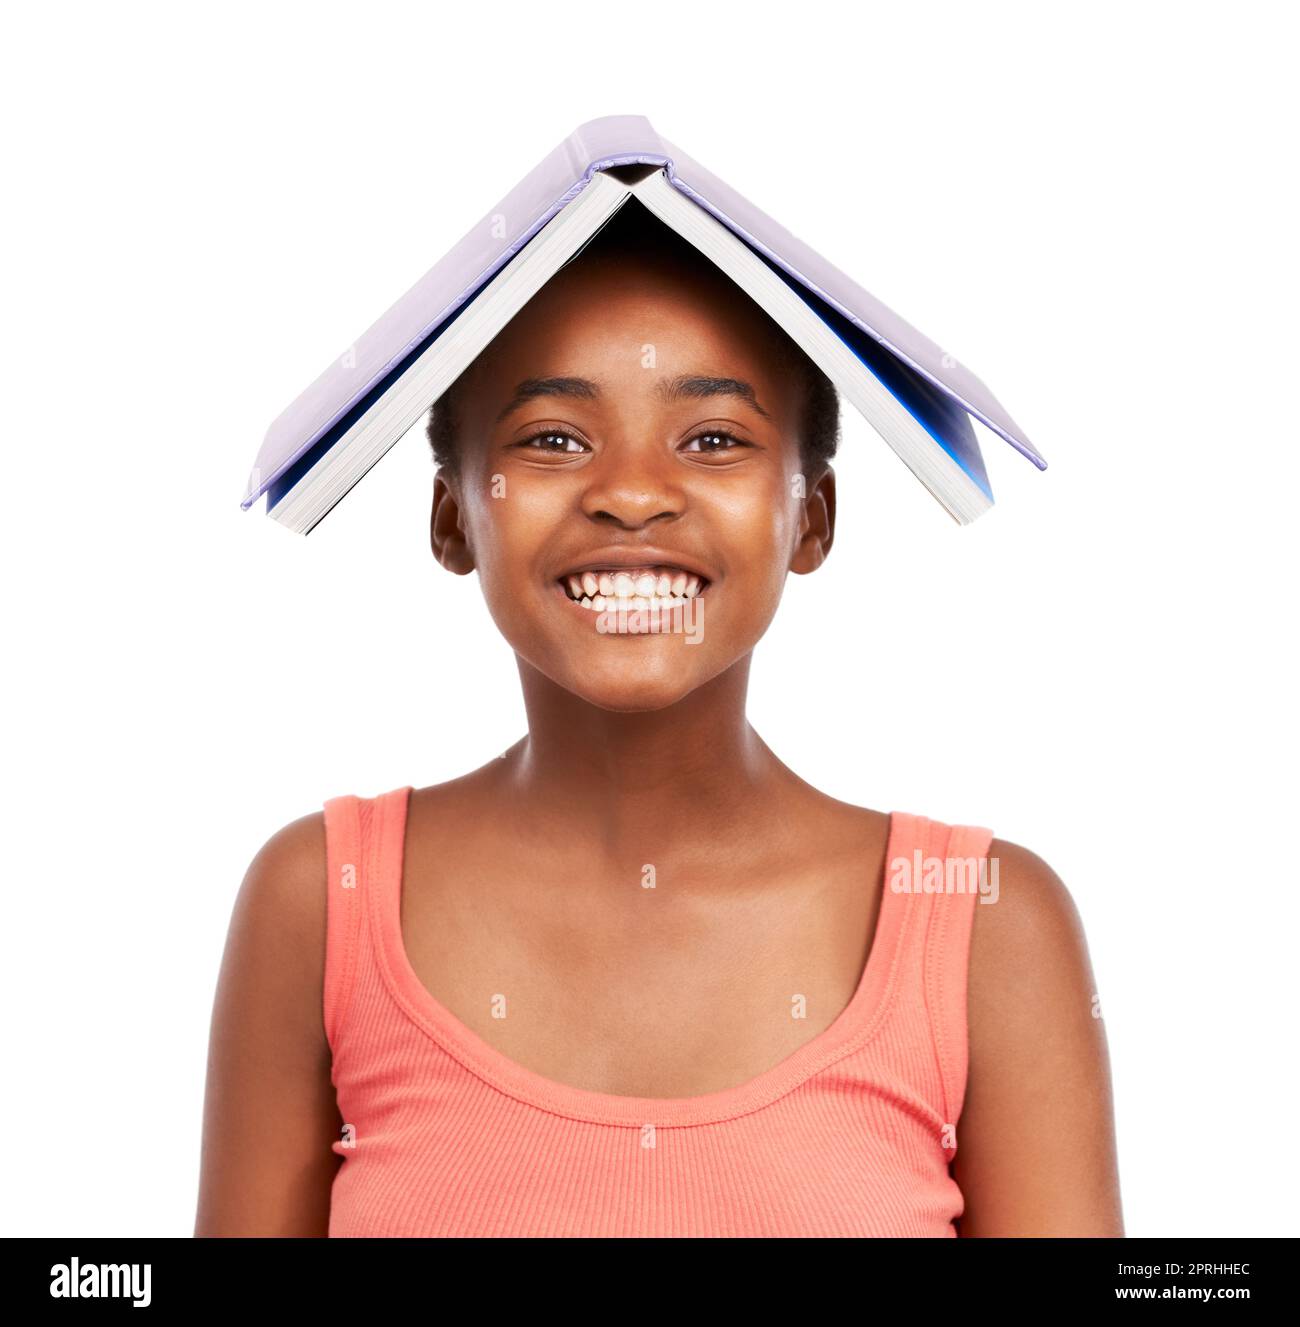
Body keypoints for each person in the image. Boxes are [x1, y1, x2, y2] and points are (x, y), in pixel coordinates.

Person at [195, 202, 1123, 1237]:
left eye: (714, 438)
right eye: (551, 438)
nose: (632, 494)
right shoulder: (321, 899)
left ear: (809, 517)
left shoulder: (988, 921)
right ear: (453, 514)